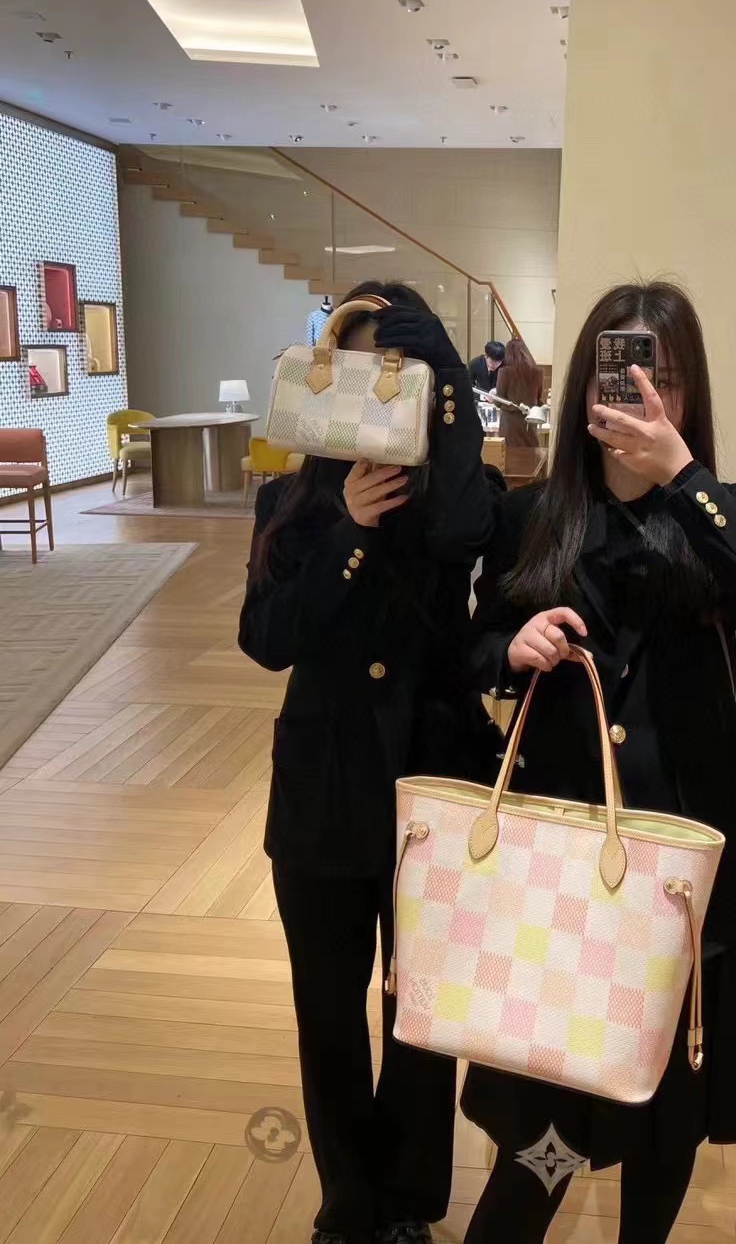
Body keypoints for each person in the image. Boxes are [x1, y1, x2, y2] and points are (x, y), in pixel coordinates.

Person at [460, 280, 736, 1244]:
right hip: (565, 864)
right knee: (542, 1128)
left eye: (664, 377)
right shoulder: (529, 517)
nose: (640, 394)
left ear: (690, 394)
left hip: (687, 870)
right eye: (618, 373)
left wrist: (683, 476)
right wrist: (511, 647)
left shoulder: (723, 509)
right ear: (586, 387)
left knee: (668, 1116)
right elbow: (473, 648)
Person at [239, 281, 501, 1244]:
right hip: (321, 793)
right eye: (352, 365)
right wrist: (347, 531)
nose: (369, 387)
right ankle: (347, 1208)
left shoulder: (450, 500)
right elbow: (268, 640)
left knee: (421, 1012)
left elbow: (468, 536)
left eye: (394, 367)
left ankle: (408, 1204)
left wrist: (453, 390)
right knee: (328, 1010)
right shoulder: (288, 501)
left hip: (430, 785)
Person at [494, 335, 544, 447]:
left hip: (510, 424)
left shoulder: (505, 372)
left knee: (510, 455)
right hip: (530, 422)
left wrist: (493, 396)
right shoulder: (537, 372)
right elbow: (538, 399)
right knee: (530, 454)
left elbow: (498, 401)